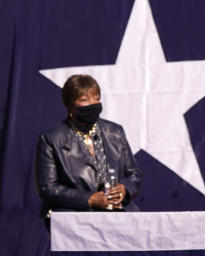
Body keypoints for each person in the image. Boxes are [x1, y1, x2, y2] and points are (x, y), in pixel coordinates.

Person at [35, 73, 142, 219]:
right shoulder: (51, 138)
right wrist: (90, 199)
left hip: (118, 213)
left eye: (96, 98)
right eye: (85, 100)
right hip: (75, 217)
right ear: (69, 105)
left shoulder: (116, 132)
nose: (93, 104)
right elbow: (48, 188)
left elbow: (133, 174)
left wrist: (124, 189)